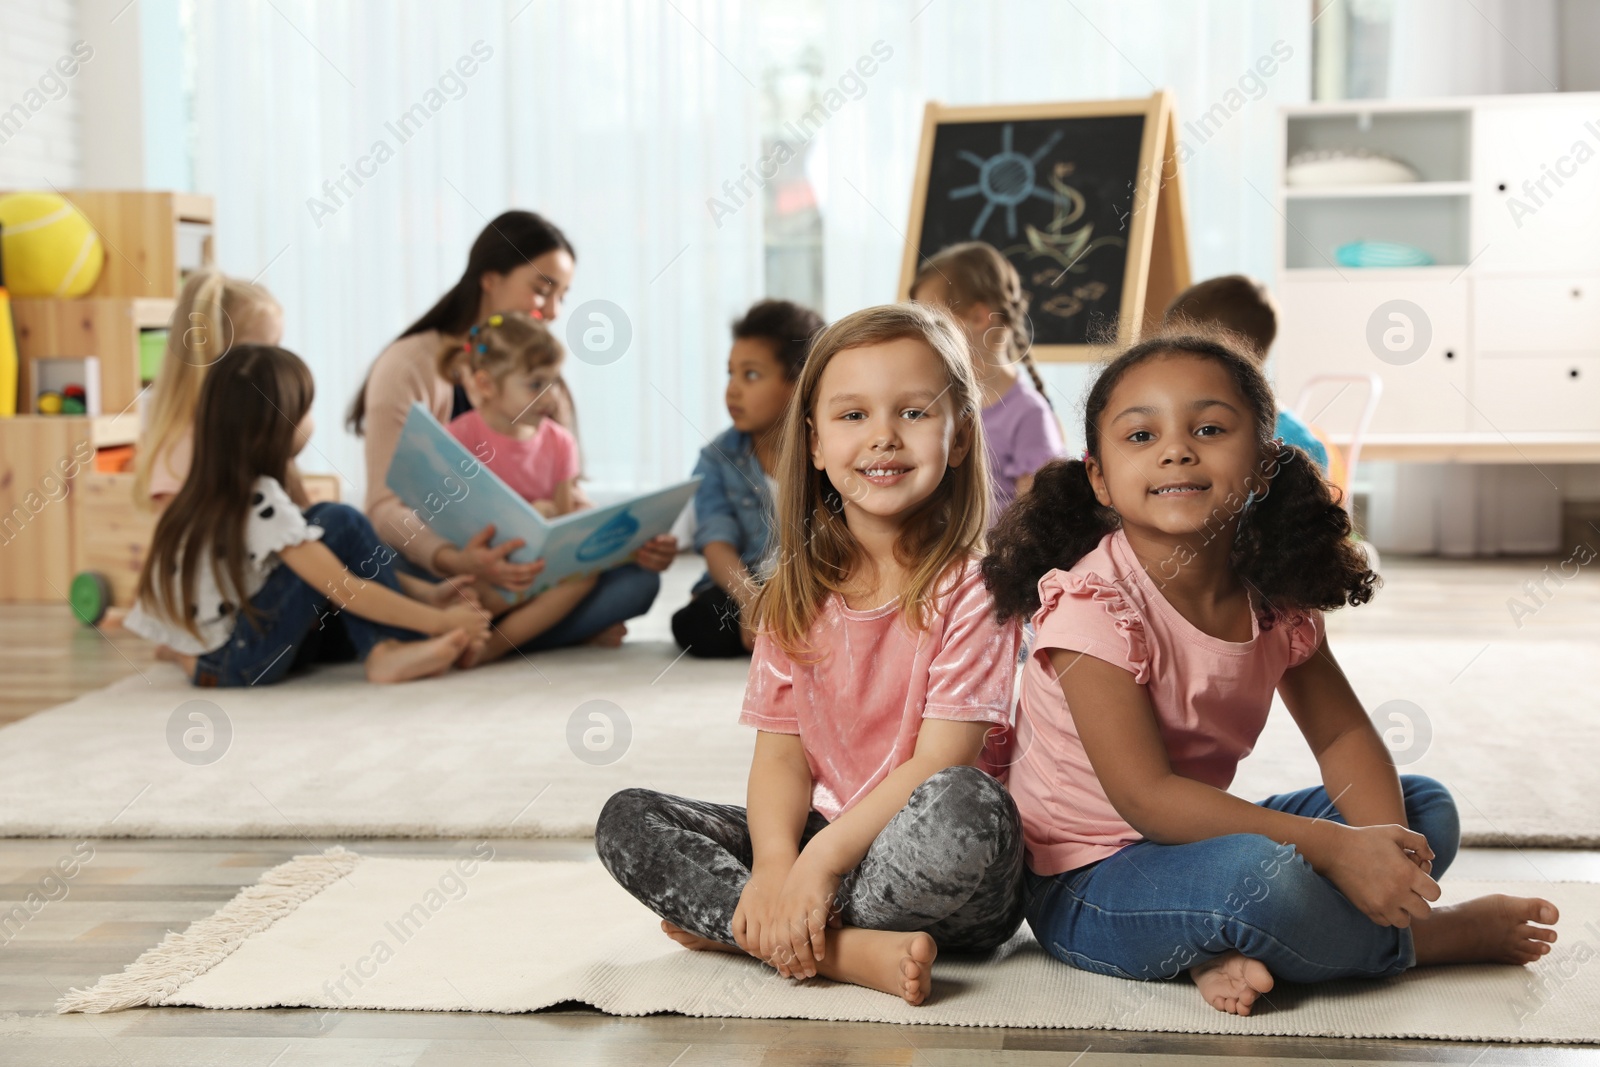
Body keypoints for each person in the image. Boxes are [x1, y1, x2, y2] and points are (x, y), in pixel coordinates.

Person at [981, 330, 1559, 1016]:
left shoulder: (1274, 600)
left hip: (1199, 842)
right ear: (1099, 476)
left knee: (1424, 809)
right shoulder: (1092, 604)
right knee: (1264, 880)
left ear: (1261, 464)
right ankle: (1427, 938)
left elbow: (1342, 735)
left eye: (1209, 428)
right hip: (1087, 880)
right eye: (1141, 435)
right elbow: (1147, 797)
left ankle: (1226, 947)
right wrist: (1334, 851)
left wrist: (1376, 849)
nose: (1176, 448)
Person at [596, 303, 1025, 1006]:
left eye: (913, 413)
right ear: (816, 443)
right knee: (628, 819)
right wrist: (772, 865)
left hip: (941, 875)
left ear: (959, 437)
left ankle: (758, 930)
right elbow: (784, 755)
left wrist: (818, 863)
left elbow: (941, 760)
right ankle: (838, 948)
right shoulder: (795, 590)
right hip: (825, 839)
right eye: (853, 415)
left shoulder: (976, 587)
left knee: (966, 807)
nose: (882, 436)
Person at [350, 210, 674, 648]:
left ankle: (477, 634)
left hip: (527, 565)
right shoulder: (409, 365)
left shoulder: (538, 372)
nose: (553, 311)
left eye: (561, 296)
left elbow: (562, 492)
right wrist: (455, 558)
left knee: (638, 581)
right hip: (437, 563)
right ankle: (534, 630)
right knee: (361, 555)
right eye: (542, 291)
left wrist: (625, 539)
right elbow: (384, 507)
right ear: (490, 279)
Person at [126, 345, 489, 686]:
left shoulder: (207, 489)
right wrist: (441, 621)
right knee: (341, 522)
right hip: (246, 659)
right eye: (306, 410)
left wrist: (427, 594)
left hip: (225, 658)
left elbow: (327, 568)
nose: (313, 421)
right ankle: (386, 651)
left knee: (327, 535)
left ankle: (189, 661)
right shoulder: (259, 501)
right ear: (273, 428)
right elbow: (345, 587)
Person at [438, 312, 605, 664]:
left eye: (553, 381)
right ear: (486, 385)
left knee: (585, 579)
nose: (549, 395)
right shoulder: (460, 437)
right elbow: (447, 518)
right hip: (480, 569)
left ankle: (491, 647)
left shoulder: (560, 442)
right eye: (534, 384)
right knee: (455, 592)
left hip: (538, 572)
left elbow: (561, 519)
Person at [671, 298, 824, 658]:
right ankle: (773, 628)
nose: (733, 389)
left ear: (799, 382)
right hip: (748, 583)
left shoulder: (831, 449)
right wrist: (751, 602)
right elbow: (715, 541)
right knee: (696, 624)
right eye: (731, 373)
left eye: (751, 375)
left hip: (814, 581)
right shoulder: (716, 457)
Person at [910, 241, 1065, 517]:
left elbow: (1040, 524)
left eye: (932, 321)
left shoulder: (1029, 415)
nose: (922, 336)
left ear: (979, 317)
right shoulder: (933, 404)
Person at [1163, 274, 1342, 485]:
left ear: (1230, 347)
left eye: (1182, 346)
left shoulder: (1294, 444)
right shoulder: (1195, 424)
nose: (1169, 358)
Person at [135, 269, 285, 508]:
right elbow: (185, 541)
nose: (277, 366)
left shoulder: (248, 432)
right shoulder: (181, 449)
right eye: (264, 353)